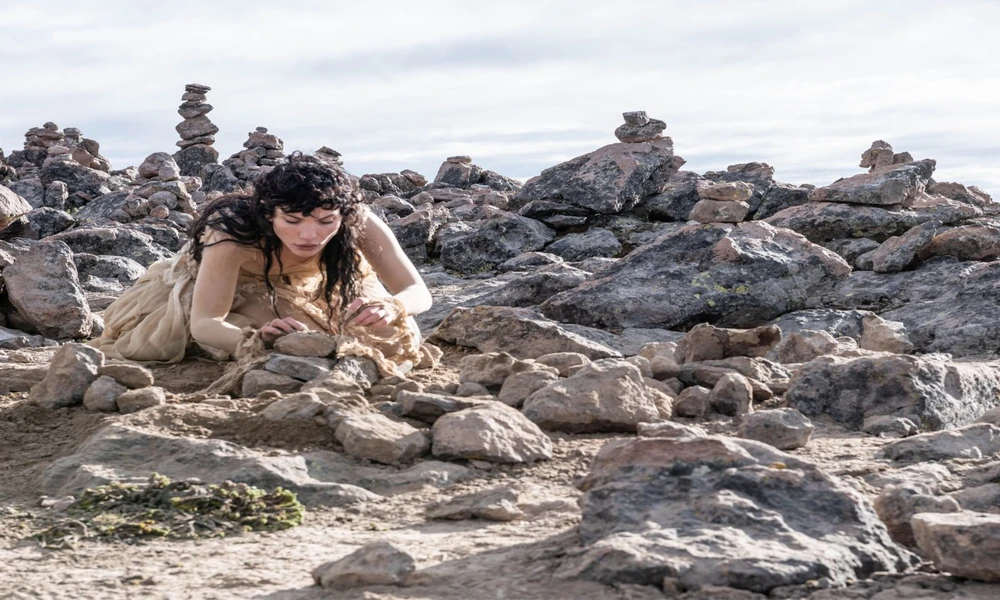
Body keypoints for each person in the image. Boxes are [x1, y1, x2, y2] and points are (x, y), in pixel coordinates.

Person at [91, 154, 434, 373]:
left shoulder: (358, 220)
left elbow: (417, 290)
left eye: (325, 221)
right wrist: (254, 338)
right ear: (269, 214)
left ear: (343, 216)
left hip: (323, 278)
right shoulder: (230, 236)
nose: (309, 235)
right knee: (300, 343)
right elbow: (207, 322)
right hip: (238, 285)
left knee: (396, 339)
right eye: (293, 221)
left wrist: (393, 306)